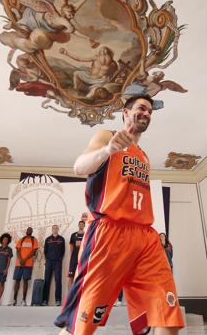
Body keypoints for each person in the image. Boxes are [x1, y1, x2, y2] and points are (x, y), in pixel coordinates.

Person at [55, 94, 184, 335]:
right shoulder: (106, 136)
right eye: (141, 108)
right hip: (108, 234)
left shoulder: (143, 155)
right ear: (125, 112)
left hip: (145, 237)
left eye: (150, 111)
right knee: (81, 324)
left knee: (167, 314)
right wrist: (108, 149)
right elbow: (79, 167)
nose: (146, 113)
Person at [13, 227, 39, 306]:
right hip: (19, 263)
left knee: (25, 280)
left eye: (30, 230)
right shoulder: (21, 239)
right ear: (26, 231)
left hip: (28, 264)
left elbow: (33, 252)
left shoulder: (34, 240)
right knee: (17, 280)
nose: (29, 231)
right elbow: (17, 250)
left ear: (32, 232)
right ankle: (14, 300)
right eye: (28, 230)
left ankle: (23, 300)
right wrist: (21, 259)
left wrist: (25, 259)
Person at [42, 225, 65, 306]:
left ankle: (58, 300)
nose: (55, 229)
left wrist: (59, 259)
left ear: (58, 229)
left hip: (57, 263)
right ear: (52, 230)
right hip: (49, 262)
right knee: (47, 281)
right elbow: (45, 251)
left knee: (58, 281)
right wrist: (47, 259)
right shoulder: (48, 239)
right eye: (53, 228)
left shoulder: (61, 239)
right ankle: (45, 300)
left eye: (56, 228)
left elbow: (63, 251)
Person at [68, 220, 86, 289]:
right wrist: (74, 254)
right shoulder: (73, 235)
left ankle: (81, 294)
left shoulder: (86, 234)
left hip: (83, 258)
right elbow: (71, 246)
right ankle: (69, 295)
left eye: (82, 224)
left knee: (83, 277)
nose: (81, 225)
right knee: (71, 277)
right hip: (74, 259)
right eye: (80, 224)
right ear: (78, 225)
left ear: (84, 226)